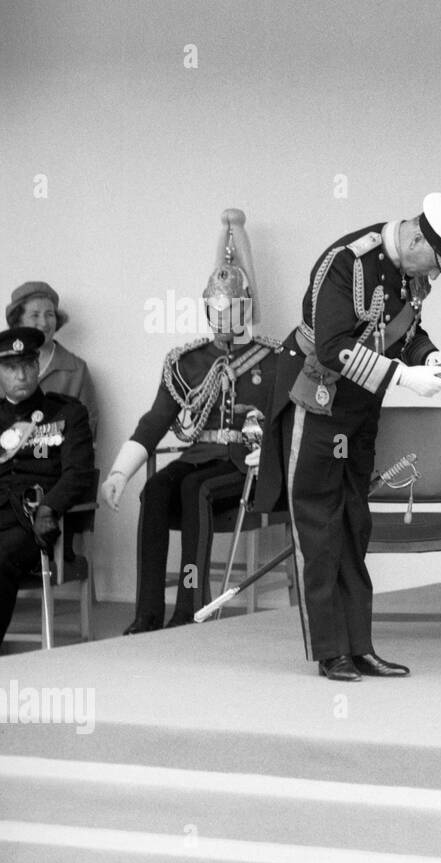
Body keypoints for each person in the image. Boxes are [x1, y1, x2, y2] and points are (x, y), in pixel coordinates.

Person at [253, 193, 441, 682]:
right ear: (418, 237)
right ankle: (329, 649)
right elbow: (332, 345)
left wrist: (429, 358)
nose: (431, 279)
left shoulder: (408, 269)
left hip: (359, 408)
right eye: (436, 264)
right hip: (315, 401)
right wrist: (404, 378)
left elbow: (406, 331)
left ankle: (359, 644)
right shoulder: (348, 262)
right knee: (319, 527)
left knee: (354, 524)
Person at [101, 210, 282, 632]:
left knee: (194, 488)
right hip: (201, 455)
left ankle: (190, 610)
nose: (222, 317)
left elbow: (290, 425)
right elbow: (155, 422)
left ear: (247, 306)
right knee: (157, 490)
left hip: (247, 465)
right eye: (215, 308)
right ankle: (146, 614)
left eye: (231, 307)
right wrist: (118, 473)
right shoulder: (187, 361)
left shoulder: (275, 360)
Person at [0, 328, 95, 655]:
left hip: (32, 521)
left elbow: (77, 473)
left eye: (27, 364)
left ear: (38, 366)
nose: (21, 374)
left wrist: (49, 509)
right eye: (11, 367)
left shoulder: (67, 413)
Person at [0, 282, 97, 437]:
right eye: (35, 315)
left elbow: (88, 430)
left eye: (49, 314)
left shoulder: (76, 370)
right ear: (18, 321)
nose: (44, 322)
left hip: (61, 458)